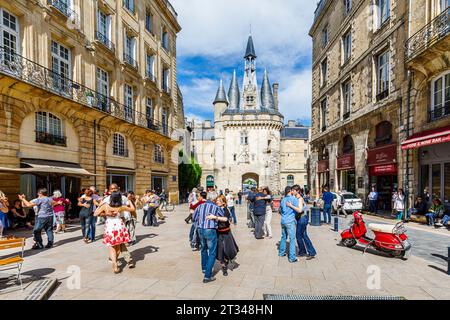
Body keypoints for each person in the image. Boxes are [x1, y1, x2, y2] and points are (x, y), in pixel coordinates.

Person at [94, 191, 132, 273]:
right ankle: (115, 261)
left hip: (110, 226)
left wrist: (106, 213)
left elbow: (95, 213)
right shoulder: (121, 207)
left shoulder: (105, 205)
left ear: (110, 198)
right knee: (118, 247)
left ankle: (114, 263)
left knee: (111, 246)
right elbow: (132, 209)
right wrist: (129, 200)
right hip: (119, 226)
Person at [192, 193, 224, 283]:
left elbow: (194, 218)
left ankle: (204, 268)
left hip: (200, 229)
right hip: (210, 230)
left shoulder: (200, 206)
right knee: (212, 252)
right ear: (214, 199)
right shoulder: (216, 207)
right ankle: (207, 276)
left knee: (203, 249)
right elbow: (222, 217)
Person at [288, 185, 317, 260]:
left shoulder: (300, 199)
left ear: (297, 191)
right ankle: (306, 251)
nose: (292, 191)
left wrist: (291, 206)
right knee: (304, 235)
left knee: (299, 235)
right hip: (301, 218)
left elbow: (300, 210)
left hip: (302, 218)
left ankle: (308, 252)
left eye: (293, 190)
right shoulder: (297, 198)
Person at [213, 195, 239, 276]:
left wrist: (215, 217)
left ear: (223, 202)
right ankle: (224, 267)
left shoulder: (226, 209)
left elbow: (225, 219)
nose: (217, 202)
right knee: (220, 251)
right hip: (218, 233)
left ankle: (227, 261)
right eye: (217, 200)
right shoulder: (215, 209)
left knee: (228, 250)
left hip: (226, 234)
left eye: (219, 201)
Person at [278, 187, 298, 263]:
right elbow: (298, 209)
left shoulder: (283, 200)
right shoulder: (293, 199)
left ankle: (281, 253)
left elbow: (280, 210)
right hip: (290, 220)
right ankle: (292, 257)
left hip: (283, 220)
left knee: (283, 237)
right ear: (290, 191)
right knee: (292, 239)